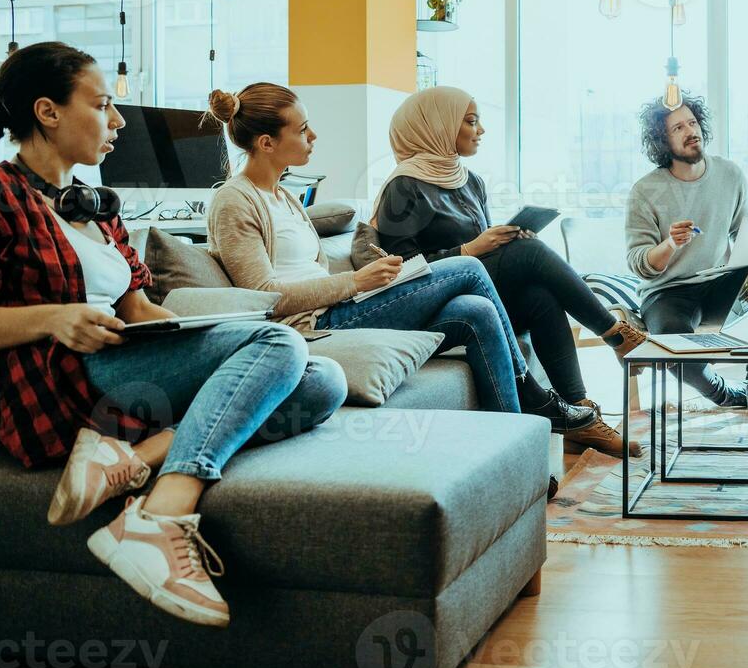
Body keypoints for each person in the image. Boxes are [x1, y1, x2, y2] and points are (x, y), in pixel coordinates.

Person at [0, 42, 347, 628]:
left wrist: (209, 336)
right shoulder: (4, 197)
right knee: (279, 344)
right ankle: (159, 516)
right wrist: (54, 316)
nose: (116, 121)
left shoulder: (94, 205)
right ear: (47, 112)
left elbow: (136, 307)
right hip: (60, 377)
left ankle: (133, 460)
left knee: (320, 380)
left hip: (126, 359)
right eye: (104, 105)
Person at [204, 82, 552, 432]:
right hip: (311, 326)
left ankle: (509, 435)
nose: (314, 135)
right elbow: (262, 296)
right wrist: (355, 281)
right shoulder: (234, 201)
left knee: (476, 311)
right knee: (469, 267)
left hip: (342, 305)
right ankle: (532, 392)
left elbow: (311, 271)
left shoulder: (286, 197)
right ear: (267, 143)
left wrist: (374, 281)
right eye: (302, 129)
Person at [371, 86, 644, 458]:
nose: (480, 129)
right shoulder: (403, 187)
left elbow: (482, 250)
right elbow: (401, 274)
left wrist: (503, 239)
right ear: (436, 127)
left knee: (540, 296)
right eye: (470, 121)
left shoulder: (470, 181)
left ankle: (579, 413)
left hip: (477, 289)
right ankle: (616, 334)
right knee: (528, 253)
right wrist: (470, 250)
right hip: (435, 304)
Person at [625, 96, 748, 422]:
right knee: (671, 341)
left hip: (716, 281)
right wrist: (669, 244)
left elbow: (743, 232)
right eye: (678, 128)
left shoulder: (730, 174)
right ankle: (725, 393)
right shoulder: (645, 190)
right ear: (662, 140)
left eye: (692, 123)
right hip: (667, 291)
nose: (690, 131)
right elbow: (638, 261)